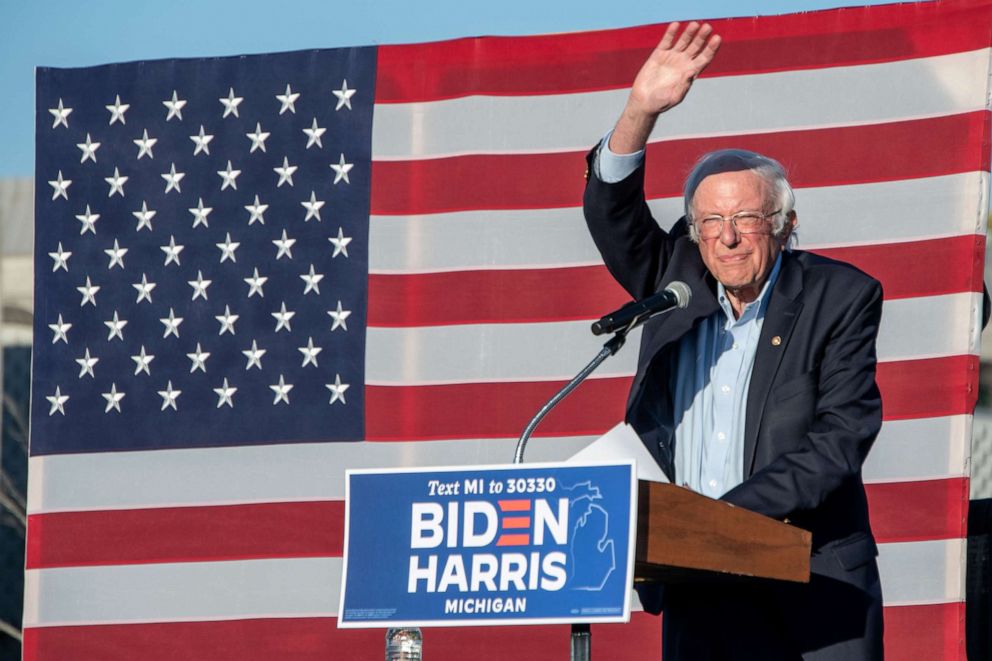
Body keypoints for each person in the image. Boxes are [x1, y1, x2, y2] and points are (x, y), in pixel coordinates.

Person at [583, 22, 884, 659]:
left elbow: (840, 440)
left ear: (784, 224)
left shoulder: (840, 296)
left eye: (746, 218)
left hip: (813, 579)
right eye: (710, 221)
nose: (727, 237)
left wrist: (717, 519)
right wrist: (640, 109)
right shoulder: (675, 280)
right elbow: (611, 212)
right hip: (700, 581)